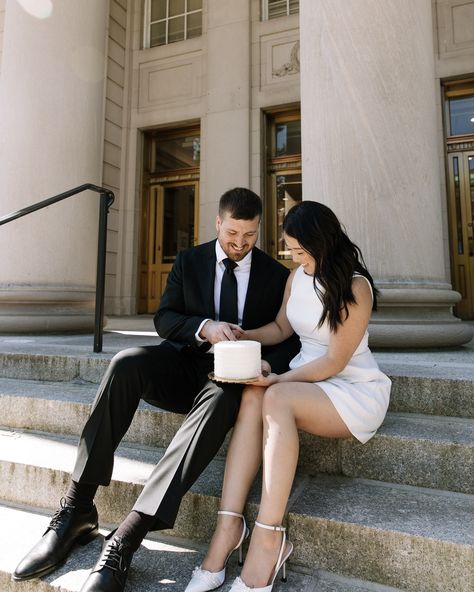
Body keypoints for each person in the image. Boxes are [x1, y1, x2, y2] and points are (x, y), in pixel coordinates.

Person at [13, 187, 299, 592]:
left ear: (259, 230)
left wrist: (268, 363)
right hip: (185, 365)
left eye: (249, 236)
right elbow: (165, 318)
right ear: (218, 223)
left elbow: (290, 337)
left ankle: (126, 539)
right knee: (126, 362)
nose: (239, 244)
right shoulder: (190, 260)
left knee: (221, 399)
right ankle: (77, 508)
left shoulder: (275, 275)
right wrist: (204, 327)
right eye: (232, 233)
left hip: (232, 381)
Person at [185, 200, 391, 592]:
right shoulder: (298, 277)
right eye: (292, 251)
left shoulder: (355, 285)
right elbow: (281, 328)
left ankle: (268, 538)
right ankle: (227, 526)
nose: (295, 258)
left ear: (323, 242)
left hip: (351, 389)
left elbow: (334, 360)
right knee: (250, 396)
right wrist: (243, 335)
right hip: (304, 380)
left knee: (273, 398)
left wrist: (278, 380)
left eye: (300, 251)